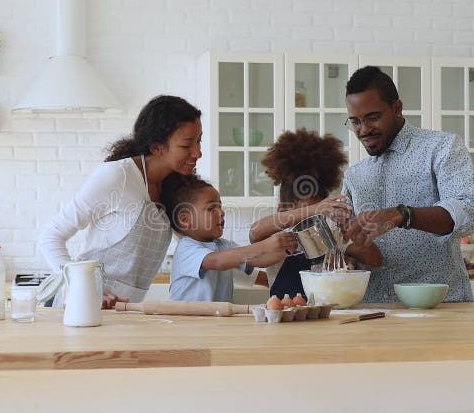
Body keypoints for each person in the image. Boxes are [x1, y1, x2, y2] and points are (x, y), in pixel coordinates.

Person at [38, 95, 202, 308]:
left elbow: (201, 246)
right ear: (156, 147)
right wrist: (83, 286)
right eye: (187, 145)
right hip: (80, 305)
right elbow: (51, 235)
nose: (197, 153)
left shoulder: (175, 186)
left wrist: (255, 272)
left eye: (199, 141)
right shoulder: (118, 176)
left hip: (125, 311)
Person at [340, 66, 474, 303]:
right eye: (355, 121)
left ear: (397, 108)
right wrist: (348, 258)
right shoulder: (355, 175)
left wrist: (402, 215)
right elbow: (350, 242)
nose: (363, 130)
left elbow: (468, 214)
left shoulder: (442, 148)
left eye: (373, 118)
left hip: (439, 309)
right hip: (373, 312)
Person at [248, 129, 383, 298]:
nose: (313, 219)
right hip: (287, 320)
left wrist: (349, 229)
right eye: (305, 214)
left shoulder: (332, 235)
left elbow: (376, 259)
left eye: (318, 215)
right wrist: (315, 209)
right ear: (283, 210)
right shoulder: (278, 241)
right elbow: (255, 232)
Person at [161, 174, 297, 302]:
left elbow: (258, 259)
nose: (221, 212)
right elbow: (217, 261)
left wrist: (285, 249)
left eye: (220, 206)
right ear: (185, 219)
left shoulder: (223, 246)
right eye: (211, 208)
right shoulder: (186, 248)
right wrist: (265, 246)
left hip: (214, 321)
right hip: (185, 323)